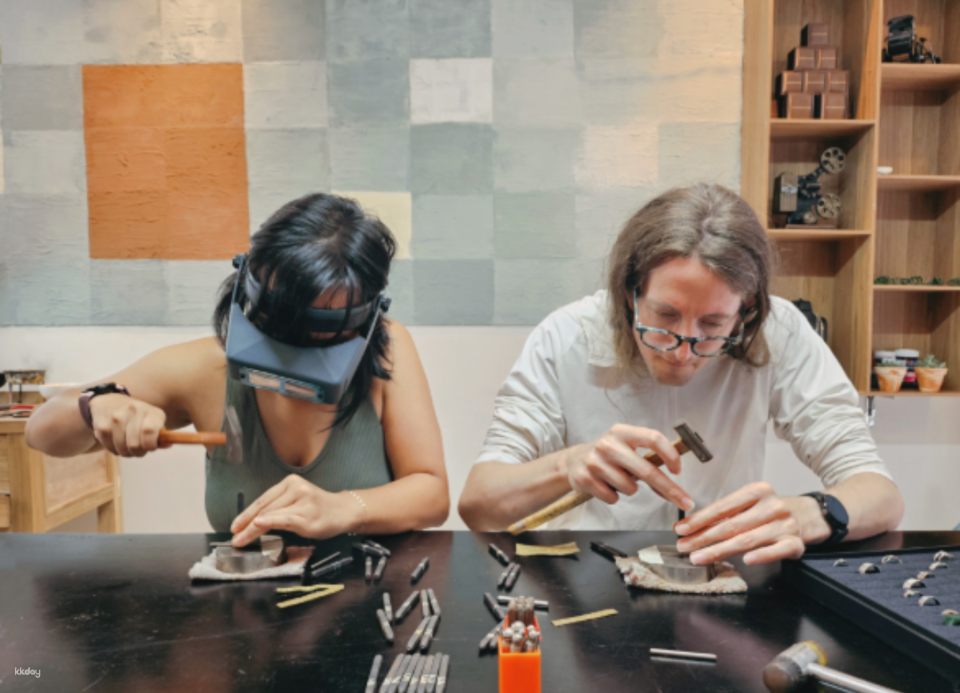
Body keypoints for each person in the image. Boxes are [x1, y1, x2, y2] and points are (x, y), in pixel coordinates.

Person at [458, 184, 903, 566]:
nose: (680, 349)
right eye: (665, 314)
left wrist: (812, 513)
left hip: (721, 578)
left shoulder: (778, 332)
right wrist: (567, 465)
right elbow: (479, 505)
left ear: (745, 310)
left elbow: (881, 495)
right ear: (630, 293)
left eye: (712, 325)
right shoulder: (566, 336)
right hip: (584, 581)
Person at [26, 193, 449, 545]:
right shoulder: (204, 369)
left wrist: (346, 507)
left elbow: (431, 492)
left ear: (366, 320)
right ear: (248, 288)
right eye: (278, 334)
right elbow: (41, 432)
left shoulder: (387, 350)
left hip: (372, 604)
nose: (291, 366)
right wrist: (95, 406)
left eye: (317, 344)